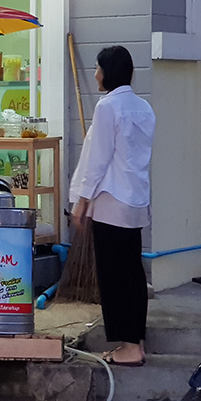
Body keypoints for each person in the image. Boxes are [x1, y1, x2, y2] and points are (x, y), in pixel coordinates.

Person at [70, 45, 155, 367]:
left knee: (114, 278)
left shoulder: (108, 108)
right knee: (132, 275)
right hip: (135, 202)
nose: (95, 75)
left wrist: (81, 203)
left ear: (108, 72)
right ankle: (136, 341)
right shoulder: (144, 107)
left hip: (110, 203)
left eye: (98, 68)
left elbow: (97, 160)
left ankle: (128, 347)